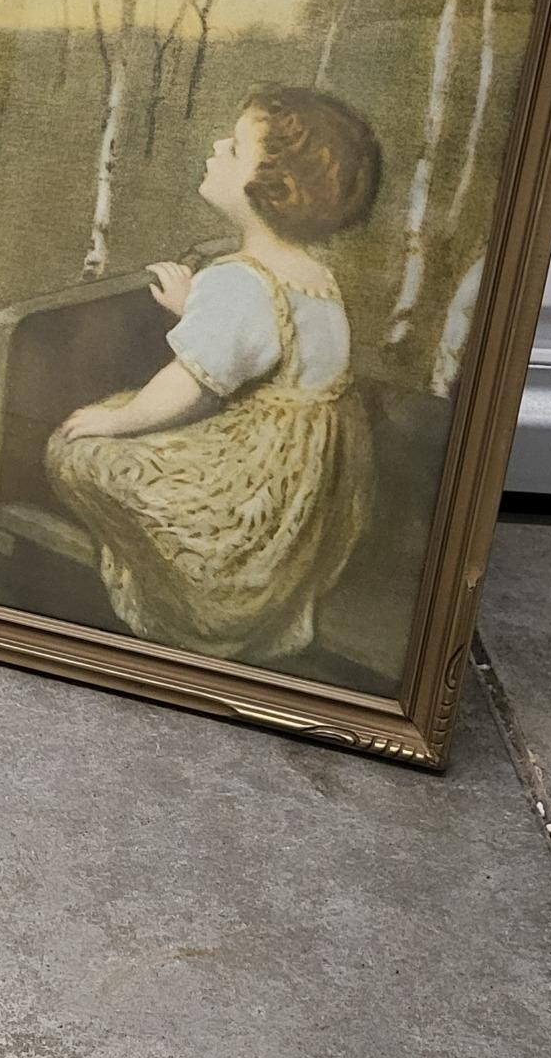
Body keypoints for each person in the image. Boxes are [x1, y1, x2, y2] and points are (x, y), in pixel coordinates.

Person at [46, 85, 383, 664]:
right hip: (308, 490)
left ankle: (191, 589)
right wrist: (196, 311)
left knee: (75, 450)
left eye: (234, 148)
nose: (217, 147)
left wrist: (118, 421)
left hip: (251, 485)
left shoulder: (241, 279)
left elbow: (191, 388)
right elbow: (265, 345)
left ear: (274, 187)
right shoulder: (315, 275)